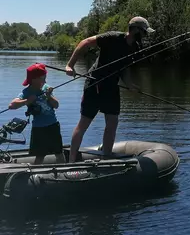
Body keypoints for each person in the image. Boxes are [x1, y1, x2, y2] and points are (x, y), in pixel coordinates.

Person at [65, 16, 155, 163]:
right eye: (144, 32)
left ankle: (106, 157)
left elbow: (124, 68)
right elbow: (85, 42)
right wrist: (70, 65)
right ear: (135, 30)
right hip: (95, 84)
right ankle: (71, 160)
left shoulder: (135, 47)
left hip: (111, 87)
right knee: (84, 123)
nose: (145, 35)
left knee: (112, 123)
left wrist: (130, 85)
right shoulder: (113, 37)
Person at [8, 63, 66, 165]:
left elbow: (56, 105)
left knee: (59, 153)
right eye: (43, 78)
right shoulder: (27, 92)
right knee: (40, 155)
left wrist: (49, 96)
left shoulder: (46, 88)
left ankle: (64, 170)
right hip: (39, 127)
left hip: (53, 125)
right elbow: (11, 105)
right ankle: (35, 173)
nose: (45, 80)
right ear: (34, 79)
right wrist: (27, 101)